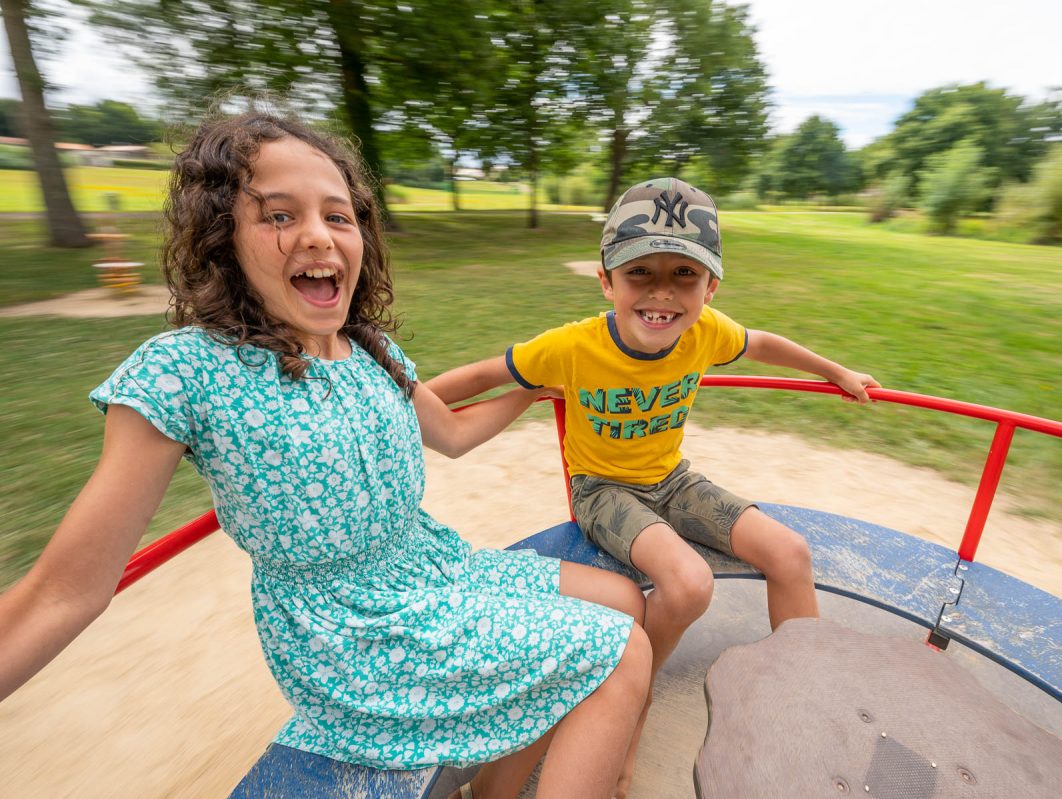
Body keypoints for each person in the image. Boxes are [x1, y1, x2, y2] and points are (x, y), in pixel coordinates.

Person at [0, 111, 652, 799]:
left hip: (431, 569)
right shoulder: (189, 370)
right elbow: (63, 591)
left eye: (338, 216)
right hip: (352, 636)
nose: (317, 234)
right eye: (279, 215)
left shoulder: (370, 348)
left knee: (621, 598)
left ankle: (491, 789)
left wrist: (531, 389)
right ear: (224, 237)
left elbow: (453, 435)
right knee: (619, 653)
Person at [426, 176, 880, 794]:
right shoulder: (571, 347)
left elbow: (764, 343)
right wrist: (397, 403)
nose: (662, 294)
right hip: (602, 490)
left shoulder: (706, 332)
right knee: (688, 584)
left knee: (791, 553)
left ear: (710, 286)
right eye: (640, 272)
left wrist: (836, 371)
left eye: (684, 276)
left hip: (672, 478)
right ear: (607, 280)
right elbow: (480, 374)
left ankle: (802, 708)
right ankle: (633, 702)